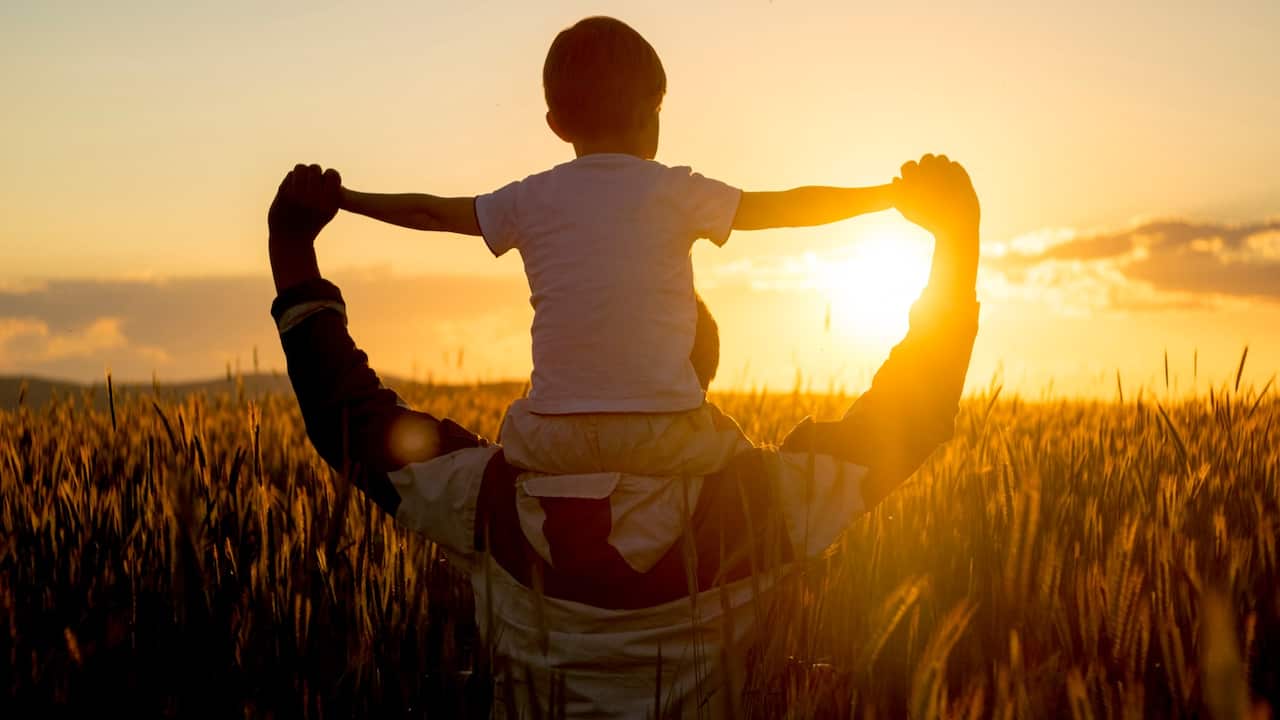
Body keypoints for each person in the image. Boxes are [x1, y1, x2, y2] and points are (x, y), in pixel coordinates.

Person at [266, 153, 980, 718]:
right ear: (699, 373)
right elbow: (910, 414)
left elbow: (348, 420)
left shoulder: (488, 503)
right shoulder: (760, 506)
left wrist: (292, 249)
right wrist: (956, 244)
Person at [331, 16, 907, 480]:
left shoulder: (529, 198)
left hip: (549, 438)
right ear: (652, 109)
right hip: (665, 434)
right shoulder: (675, 190)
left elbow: (430, 211)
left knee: (505, 459)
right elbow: (786, 207)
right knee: (751, 475)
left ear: (557, 124)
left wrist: (344, 198)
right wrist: (887, 196)